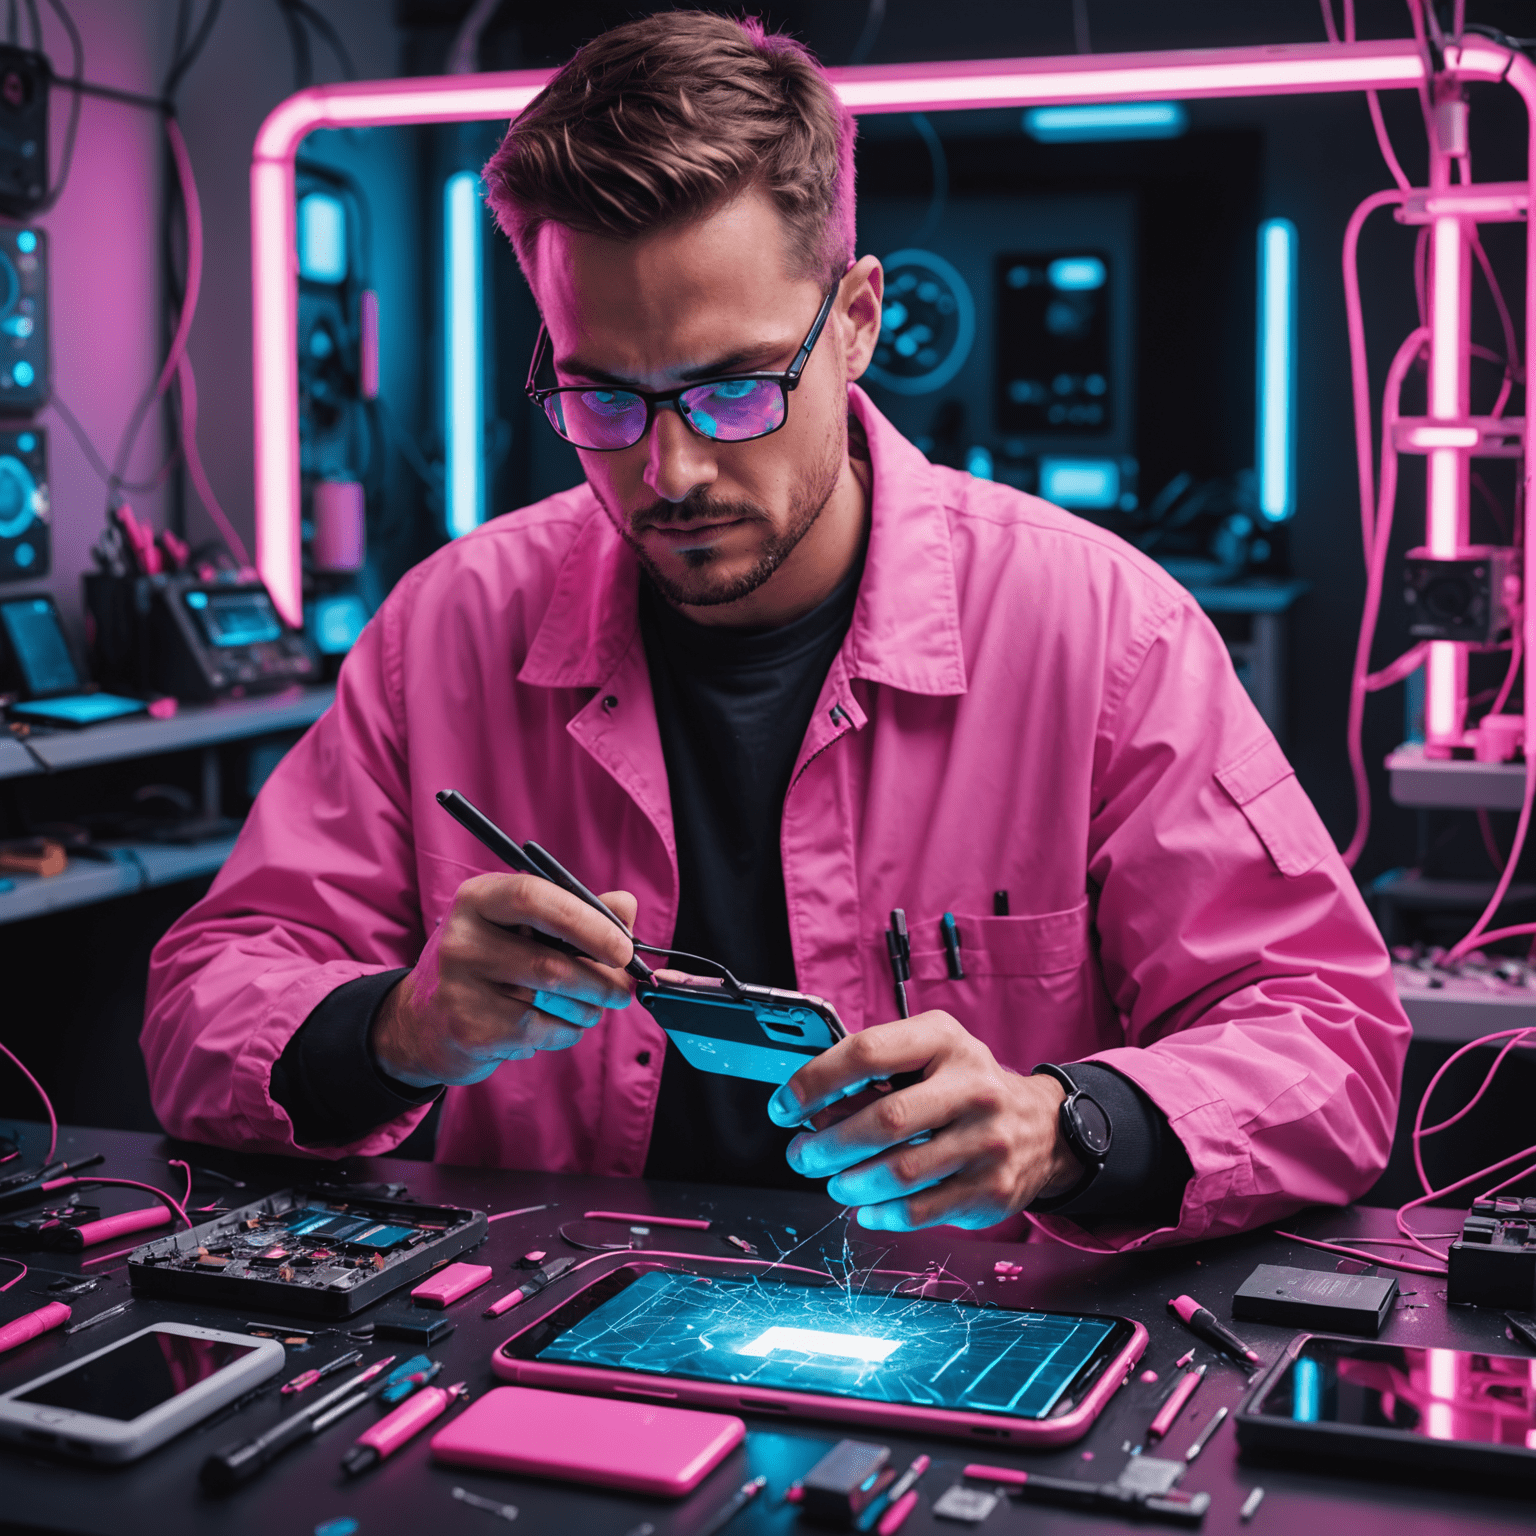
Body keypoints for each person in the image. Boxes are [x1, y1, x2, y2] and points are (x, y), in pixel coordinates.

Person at [142, 11, 1408, 1250]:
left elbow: (1326, 1034)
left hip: (960, 1352)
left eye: (734, 387)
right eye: (602, 400)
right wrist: (398, 1031)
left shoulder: (1102, 632)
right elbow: (205, 1001)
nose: (672, 471)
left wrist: (1059, 1126)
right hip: (543, 1355)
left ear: (855, 322)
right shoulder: (449, 629)